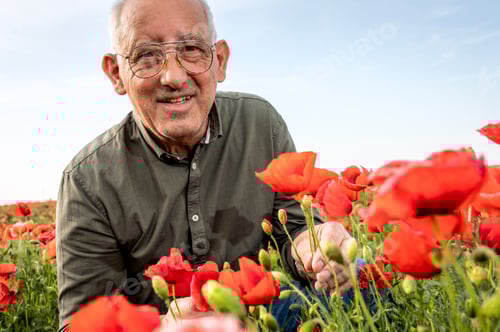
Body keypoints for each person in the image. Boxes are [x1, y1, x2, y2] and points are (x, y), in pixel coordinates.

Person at [55, 0, 354, 331]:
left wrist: (312, 246)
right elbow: (83, 322)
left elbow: (292, 230)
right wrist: (168, 325)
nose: (173, 76)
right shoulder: (87, 179)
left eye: (192, 49)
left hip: (265, 317)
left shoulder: (260, 123)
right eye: (146, 56)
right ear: (116, 74)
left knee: (359, 282)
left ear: (220, 61)